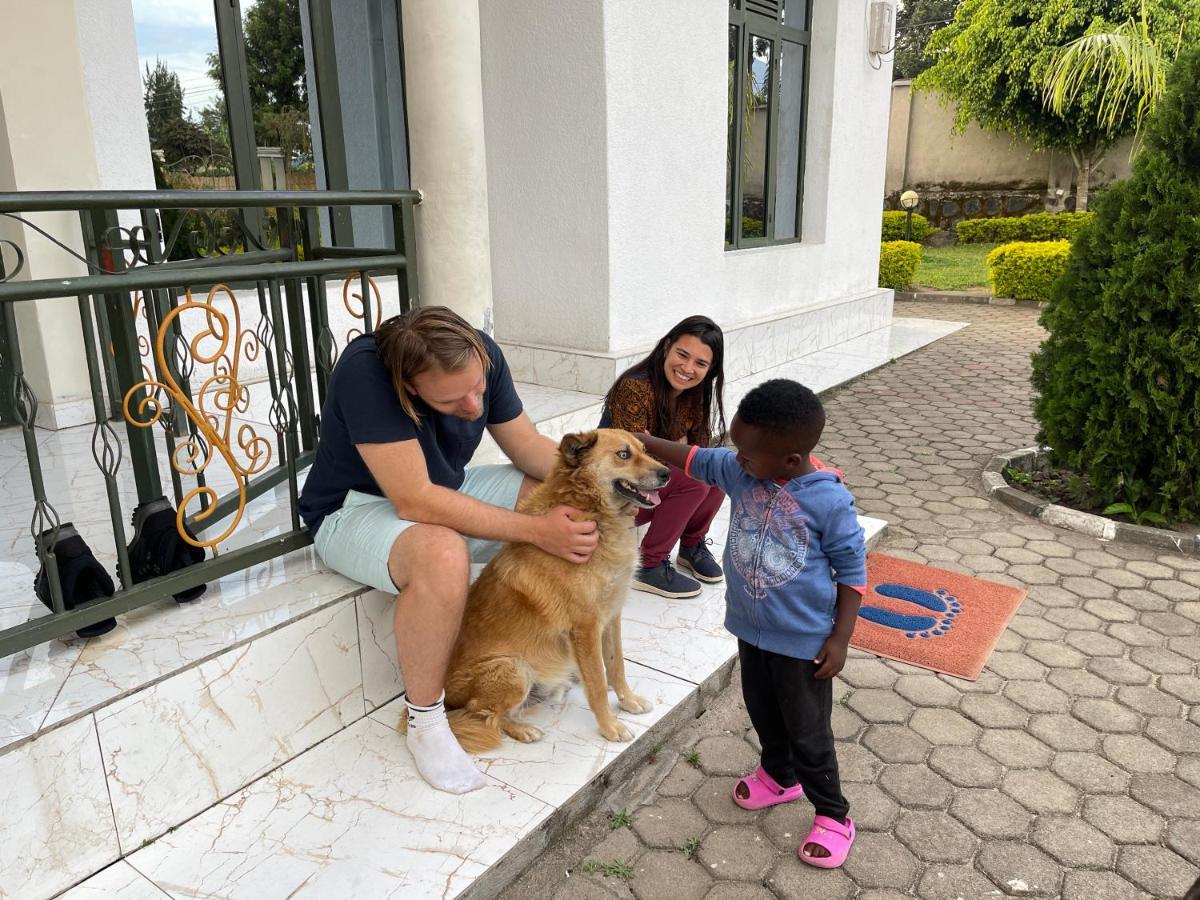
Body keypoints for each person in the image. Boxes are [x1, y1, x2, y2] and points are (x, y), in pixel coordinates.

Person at [298, 306, 600, 794]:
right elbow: (415, 499)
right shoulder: (365, 374)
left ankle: (547, 646)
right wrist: (536, 530)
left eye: (478, 388)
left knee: (559, 491)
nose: (475, 407)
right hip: (353, 509)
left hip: (438, 489)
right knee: (443, 552)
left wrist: (599, 485)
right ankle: (426, 722)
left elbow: (525, 446)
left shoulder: (478, 353)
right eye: (455, 400)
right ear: (411, 387)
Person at [637, 379, 867, 869]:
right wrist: (640, 441)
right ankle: (778, 777)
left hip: (804, 642)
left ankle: (833, 813)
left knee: (808, 729)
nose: (736, 458)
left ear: (790, 460)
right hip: (751, 629)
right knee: (762, 708)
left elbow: (852, 572)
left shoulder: (829, 502)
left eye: (746, 453)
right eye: (737, 448)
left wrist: (841, 639)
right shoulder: (745, 470)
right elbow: (695, 456)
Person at [601, 316, 727, 599]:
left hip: (649, 490)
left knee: (717, 468)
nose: (687, 368)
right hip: (612, 498)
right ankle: (650, 564)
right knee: (693, 481)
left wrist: (661, 447)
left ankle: (691, 545)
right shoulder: (635, 387)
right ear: (667, 347)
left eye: (700, 363)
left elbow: (699, 450)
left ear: (710, 370)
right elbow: (632, 463)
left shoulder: (696, 394)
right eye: (682, 354)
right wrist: (673, 449)